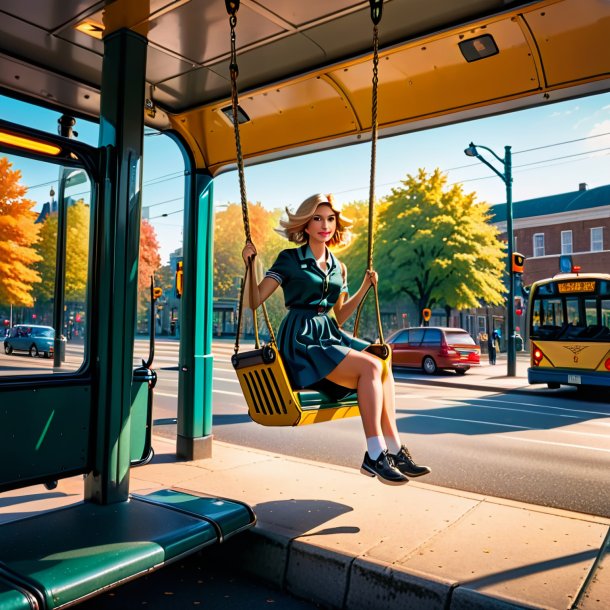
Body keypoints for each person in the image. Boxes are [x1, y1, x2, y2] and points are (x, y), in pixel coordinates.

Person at [242, 193, 430, 486]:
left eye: (330, 219)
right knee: (369, 368)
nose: (324, 225)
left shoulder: (338, 266)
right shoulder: (289, 259)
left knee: (382, 359)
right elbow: (253, 302)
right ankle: (374, 453)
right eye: (317, 218)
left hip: (328, 332)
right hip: (302, 339)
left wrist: (365, 288)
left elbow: (339, 315)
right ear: (305, 225)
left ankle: (394, 448)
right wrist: (250, 265)